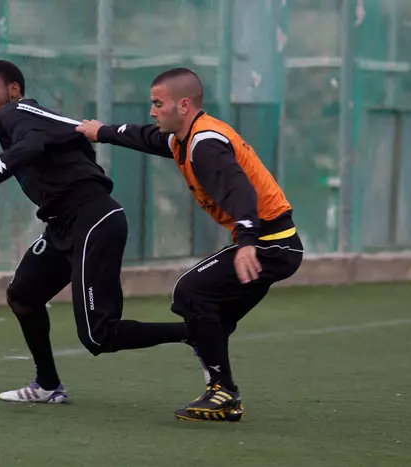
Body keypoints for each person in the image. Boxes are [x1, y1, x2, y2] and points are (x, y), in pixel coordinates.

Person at [0, 60, 188, 405]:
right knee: (23, 296)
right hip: (62, 226)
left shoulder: (16, 113)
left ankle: (196, 332)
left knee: (99, 336)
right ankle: (48, 384)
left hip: (92, 218)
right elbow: (47, 144)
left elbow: (30, 148)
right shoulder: (28, 121)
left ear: (14, 90)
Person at [76, 67, 304, 422]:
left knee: (190, 291)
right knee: (212, 318)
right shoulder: (182, 137)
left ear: (183, 105)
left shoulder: (206, 144)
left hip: (268, 244)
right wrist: (101, 132)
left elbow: (238, 189)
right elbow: (144, 137)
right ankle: (223, 392)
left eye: (158, 103)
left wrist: (246, 242)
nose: (152, 111)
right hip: (272, 244)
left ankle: (223, 391)